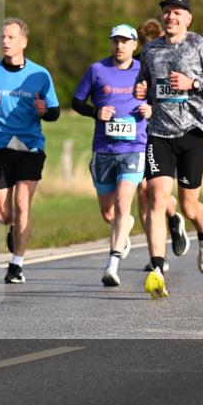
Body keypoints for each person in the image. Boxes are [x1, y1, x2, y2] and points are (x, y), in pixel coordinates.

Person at [135, 0, 203, 298]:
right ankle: (156, 267)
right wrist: (141, 90)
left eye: (177, 13)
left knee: (190, 207)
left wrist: (194, 84)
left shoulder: (200, 46)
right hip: (159, 134)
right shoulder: (150, 50)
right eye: (166, 12)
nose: (170, 17)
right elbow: (145, 86)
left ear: (188, 19)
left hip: (192, 132)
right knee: (156, 198)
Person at [0, 18, 60, 284]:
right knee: (3, 214)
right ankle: (13, 228)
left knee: (23, 203)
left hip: (30, 146)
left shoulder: (40, 74)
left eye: (11, 37)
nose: (5, 42)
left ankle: (16, 265)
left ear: (23, 42)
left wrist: (44, 112)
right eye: (2, 37)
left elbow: (54, 111)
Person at [72, 24, 153, 287]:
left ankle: (112, 263)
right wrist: (95, 113)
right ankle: (124, 227)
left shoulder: (144, 71)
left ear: (134, 45)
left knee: (122, 203)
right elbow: (76, 102)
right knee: (109, 213)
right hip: (104, 149)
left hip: (133, 147)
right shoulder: (97, 70)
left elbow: (156, 101)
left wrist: (149, 109)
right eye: (115, 41)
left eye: (125, 41)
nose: (119, 46)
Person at [136, 18, 187, 272]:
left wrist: (152, 109)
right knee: (144, 195)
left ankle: (174, 217)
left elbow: (173, 101)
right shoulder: (137, 65)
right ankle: (156, 256)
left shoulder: (173, 63)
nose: (149, 53)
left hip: (163, 136)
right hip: (137, 138)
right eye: (145, 48)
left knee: (157, 195)